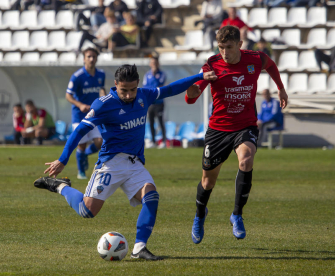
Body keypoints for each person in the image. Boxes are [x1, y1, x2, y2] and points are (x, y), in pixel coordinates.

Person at [34, 64, 217, 260]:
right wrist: (63, 159)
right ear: (115, 85)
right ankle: (61, 187)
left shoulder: (144, 95)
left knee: (151, 196)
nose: (129, 95)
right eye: (124, 90)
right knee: (86, 211)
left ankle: (139, 248)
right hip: (110, 163)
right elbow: (80, 131)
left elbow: (171, 89)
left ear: (138, 84)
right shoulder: (103, 104)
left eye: (132, 90)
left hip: (134, 162)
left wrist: (200, 77)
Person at [185, 25, 288, 243]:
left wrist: (280, 87)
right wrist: (192, 93)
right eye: (221, 47)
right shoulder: (212, 64)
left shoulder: (255, 59)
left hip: (245, 125)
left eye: (229, 47)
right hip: (218, 129)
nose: (224, 52)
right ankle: (199, 215)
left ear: (239, 45)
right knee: (207, 182)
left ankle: (237, 215)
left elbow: (270, 65)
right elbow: (193, 93)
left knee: (246, 159)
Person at [66, 47, 106, 180]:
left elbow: (101, 90)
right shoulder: (77, 76)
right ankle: (81, 171)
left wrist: (104, 98)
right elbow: (68, 95)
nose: (91, 59)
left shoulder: (101, 74)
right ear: (84, 58)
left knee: (99, 142)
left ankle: (85, 155)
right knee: (81, 144)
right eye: (89, 56)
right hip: (79, 115)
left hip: (94, 114)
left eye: (94, 57)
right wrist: (80, 105)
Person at [143, 55, 167, 149]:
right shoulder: (146, 75)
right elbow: (145, 87)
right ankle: (153, 141)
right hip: (150, 103)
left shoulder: (161, 74)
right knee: (151, 122)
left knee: (161, 122)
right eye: (152, 63)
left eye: (155, 63)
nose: (154, 65)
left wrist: (154, 75)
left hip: (159, 103)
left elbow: (159, 85)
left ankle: (164, 141)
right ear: (150, 64)